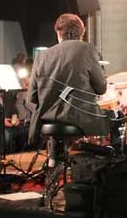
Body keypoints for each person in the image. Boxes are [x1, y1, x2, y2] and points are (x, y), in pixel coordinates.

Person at [26, 13, 108, 146]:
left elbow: (32, 97)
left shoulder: (42, 56)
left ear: (59, 33)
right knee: (116, 118)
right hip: (81, 118)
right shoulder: (87, 49)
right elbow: (101, 88)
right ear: (81, 33)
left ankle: (55, 156)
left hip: (47, 119)